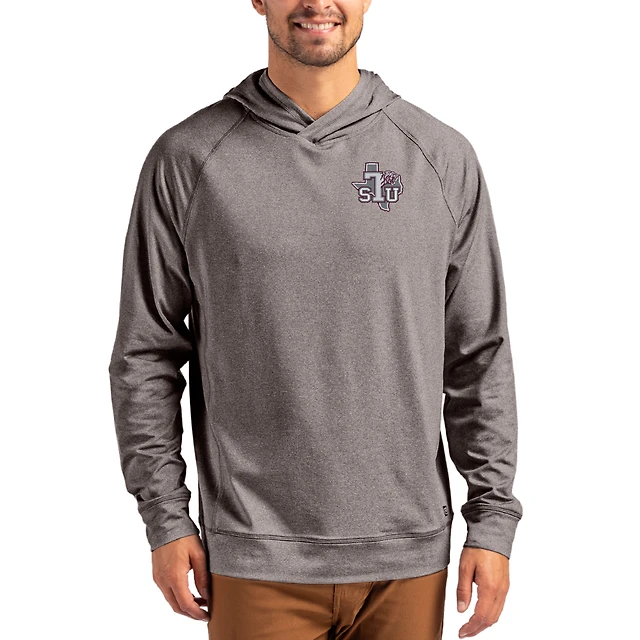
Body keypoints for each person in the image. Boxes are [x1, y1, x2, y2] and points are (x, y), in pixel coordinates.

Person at [107, 1, 523, 638]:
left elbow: (478, 353)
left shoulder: (440, 157)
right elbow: (146, 354)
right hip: (252, 552)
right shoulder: (187, 159)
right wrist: (165, 517)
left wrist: (491, 521)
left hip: (408, 556)